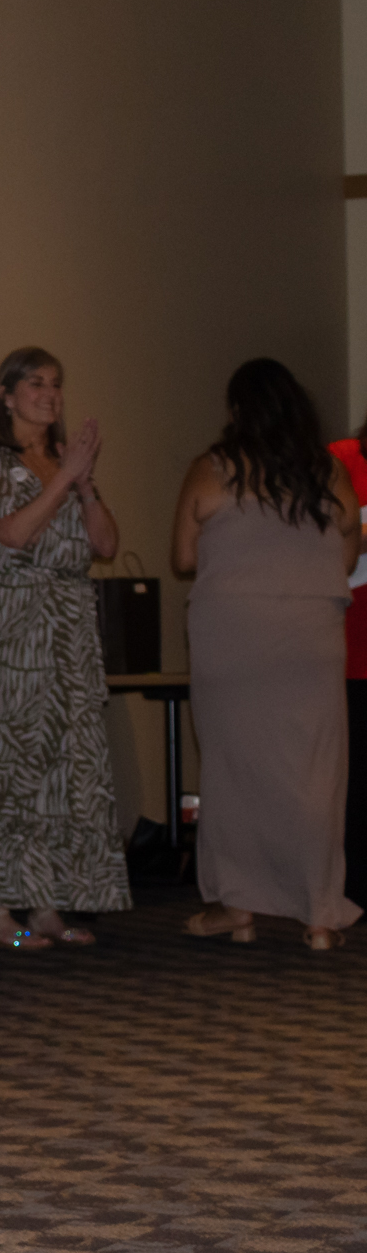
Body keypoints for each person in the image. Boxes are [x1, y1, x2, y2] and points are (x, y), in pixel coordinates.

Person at [0, 347, 128, 949]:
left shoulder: (63, 466)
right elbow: (10, 537)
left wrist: (85, 484)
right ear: (6, 395)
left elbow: (104, 546)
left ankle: (47, 905)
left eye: (56, 384)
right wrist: (64, 478)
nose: (50, 394)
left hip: (69, 626)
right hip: (14, 627)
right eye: (36, 383)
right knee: (7, 766)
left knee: (65, 768)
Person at [175, 358, 361, 949]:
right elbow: (349, 547)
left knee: (231, 771)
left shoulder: (210, 469)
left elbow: (183, 557)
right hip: (309, 636)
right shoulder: (329, 473)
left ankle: (237, 906)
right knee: (315, 773)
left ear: (237, 412)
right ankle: (320, 916)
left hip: (232, 638)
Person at [325, 424, 367, 905]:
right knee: (354, 777)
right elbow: (320, 534)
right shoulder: (341, 457)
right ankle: (353, 887)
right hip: (351, 642)